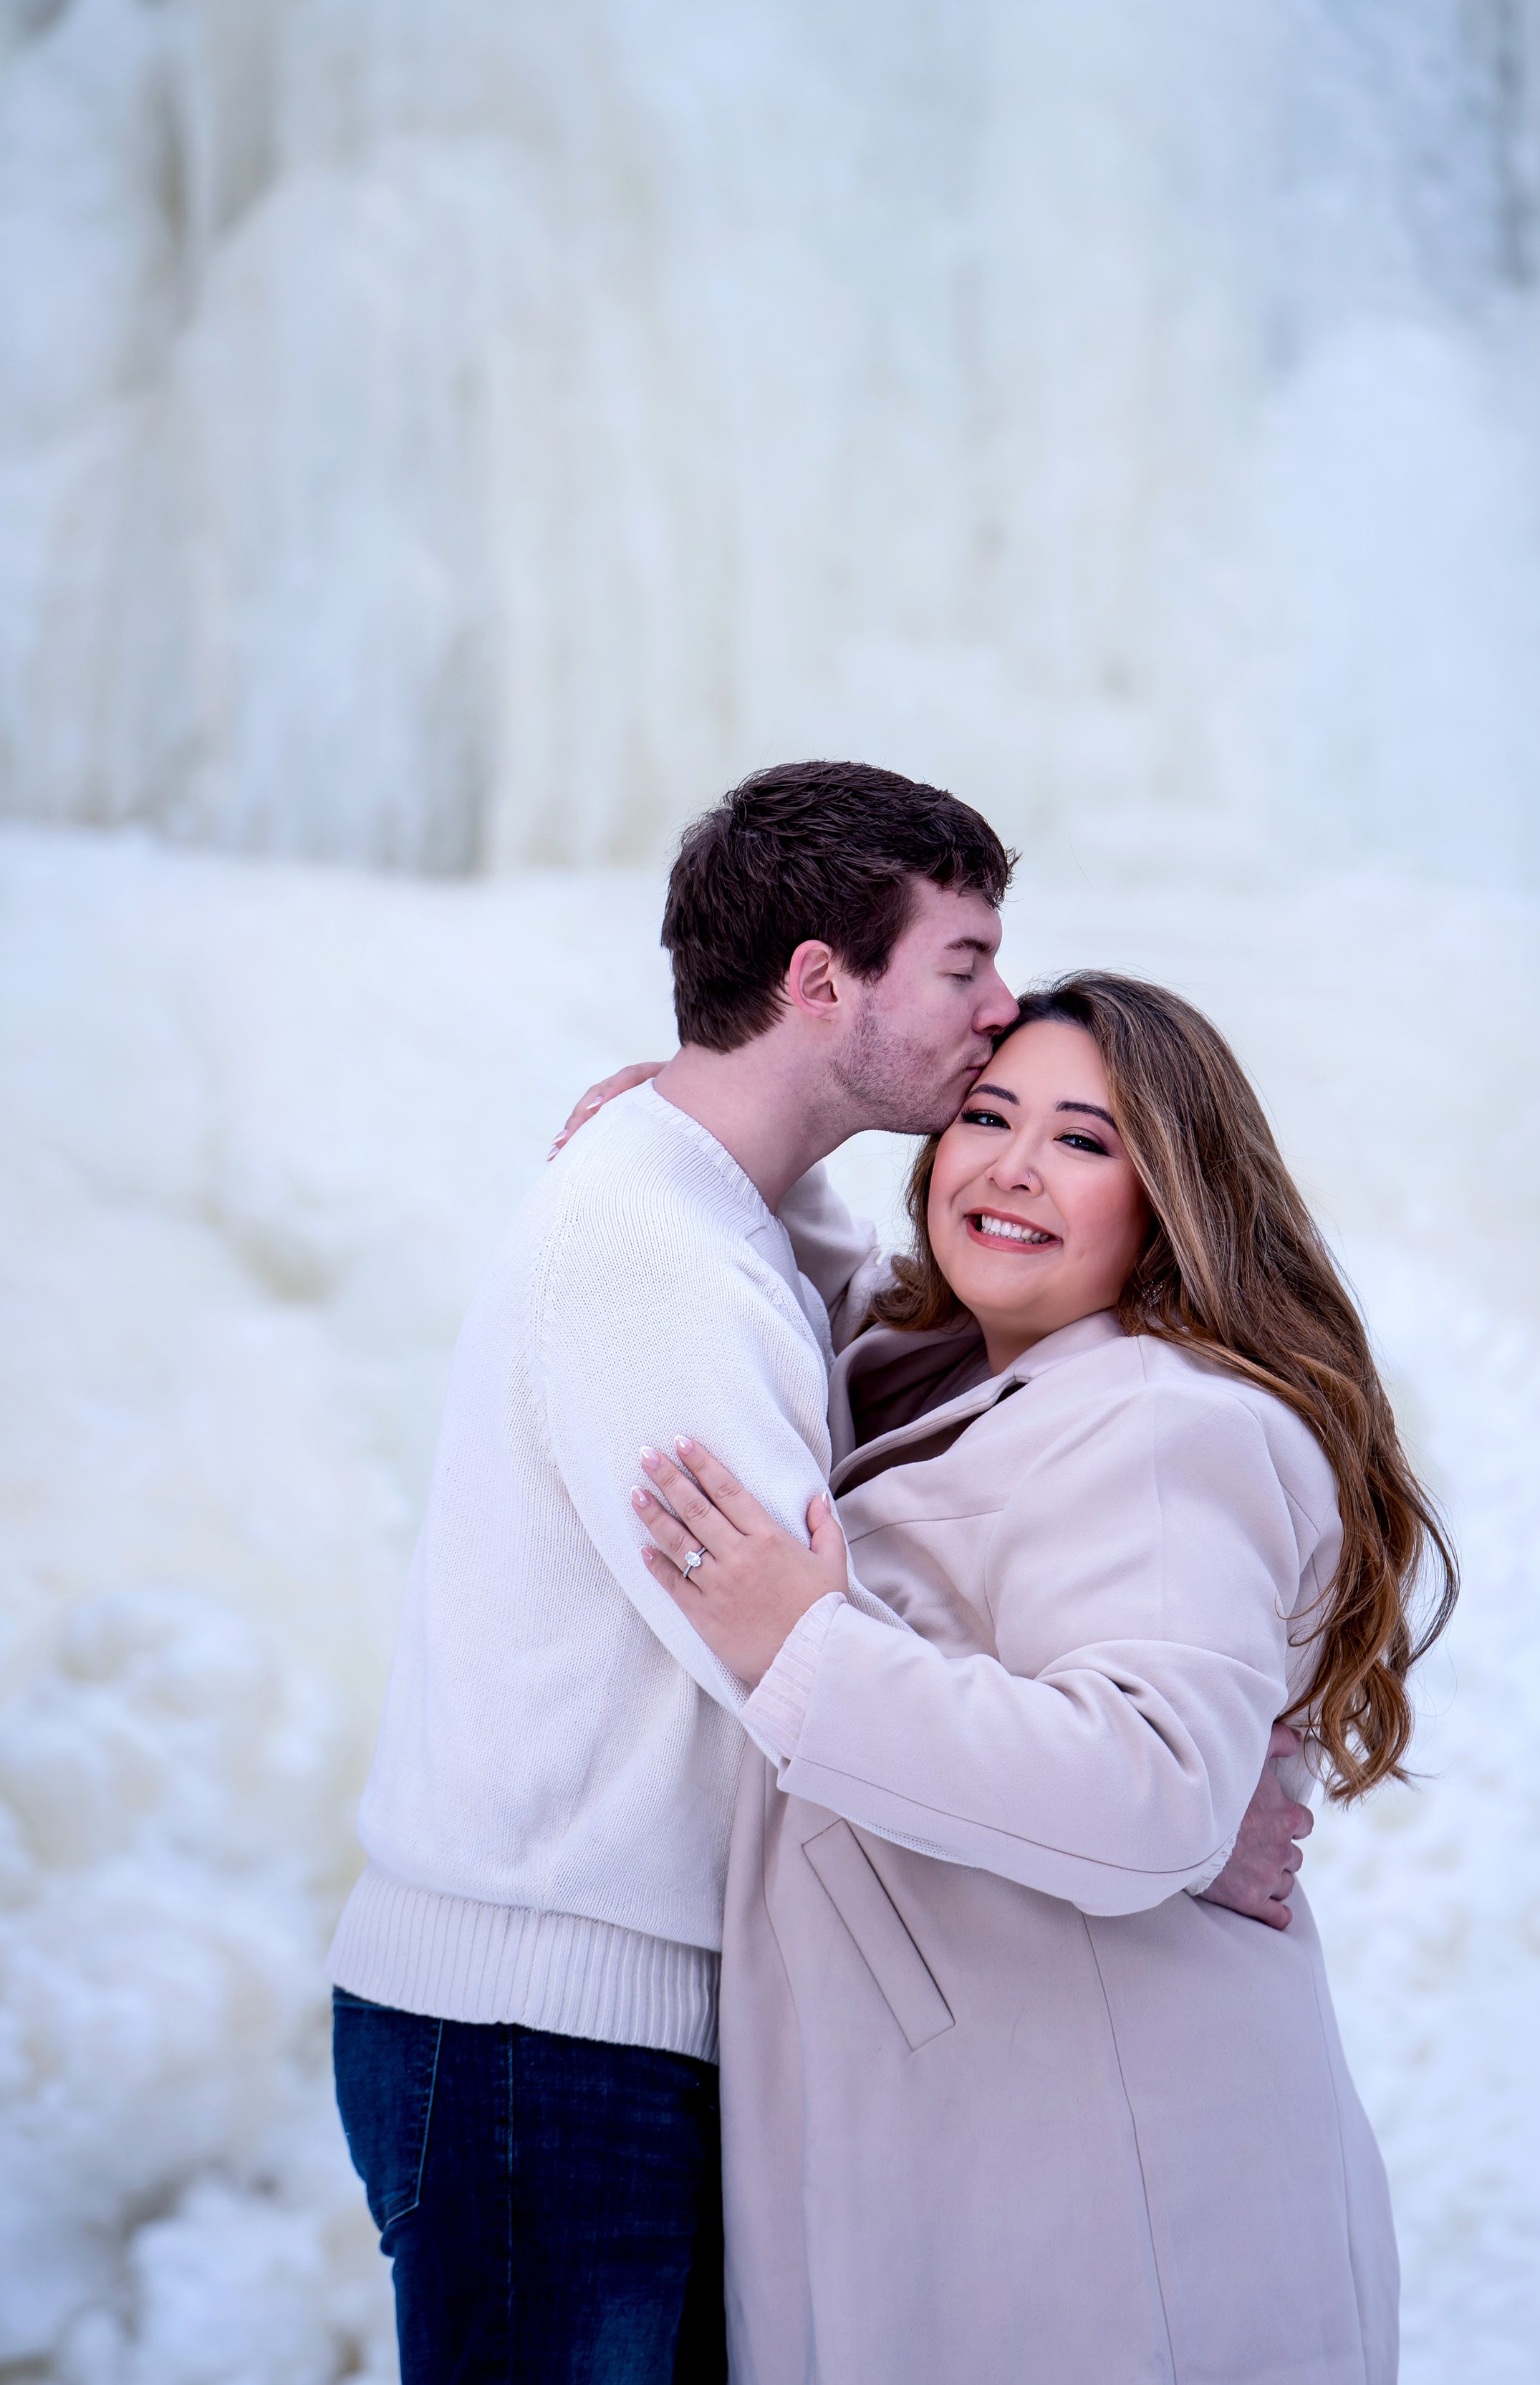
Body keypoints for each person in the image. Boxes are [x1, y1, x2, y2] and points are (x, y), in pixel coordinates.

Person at [328, 765, 1308, 2382]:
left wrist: (1176, 1772)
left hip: (596, 2030)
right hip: (543, 2040)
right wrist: (1171, 1817)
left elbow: (855, 1390)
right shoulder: (657, 1257)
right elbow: (802, 1661)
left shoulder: (713, 1225)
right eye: (963, 965)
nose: (994, 1012)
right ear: (815, 982)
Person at [630, 972, 1458, 2384]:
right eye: (986, 1117)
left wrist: (803, 1649)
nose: (1011, 1166)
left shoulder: (1162, 1421)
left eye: (1083, 1140)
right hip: (1000, 2164)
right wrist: (696, 1127)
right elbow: (840, 1297)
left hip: (1108, 2218)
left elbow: (1145, 1788)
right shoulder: (936, 1373)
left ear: (1171, 1198)